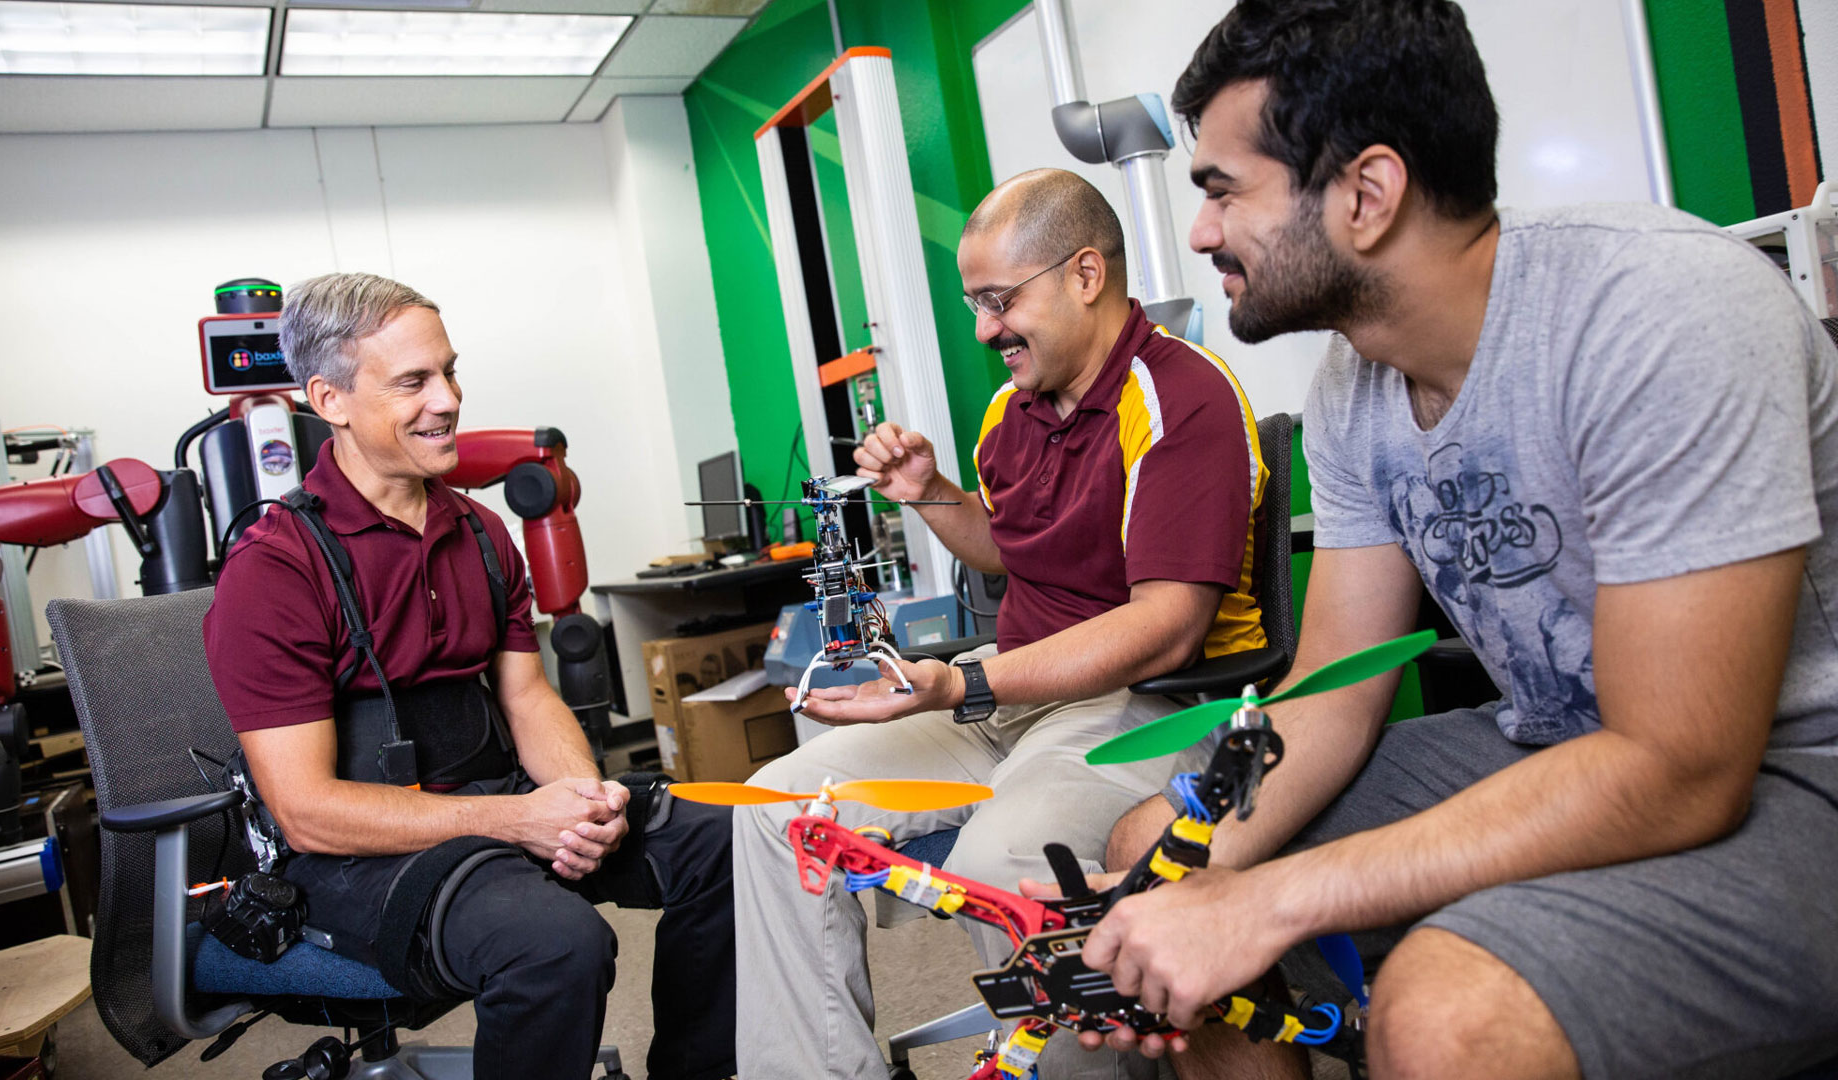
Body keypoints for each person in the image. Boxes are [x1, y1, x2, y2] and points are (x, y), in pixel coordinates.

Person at [1056, 2, 1838, 1078]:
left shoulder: (1660, 311)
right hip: (1558, 740)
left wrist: (1269, 897)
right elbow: (1333, 686)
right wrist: (1193, 875)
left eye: (1223, 191)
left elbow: (1679, 768)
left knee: (1446, 1012)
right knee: (1158, 851)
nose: (1198, 234)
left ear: (1367, 196)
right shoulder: (1353, 388)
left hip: (1796, 773)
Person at [735, 169, 1272, 1079]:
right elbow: (1010, 550)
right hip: (1016, 688)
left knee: (1003, 863)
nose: (985, 330)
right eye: (975, 303)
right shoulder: (1008, 412)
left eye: (997, 300)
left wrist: (961, 681)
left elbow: (1172, 627)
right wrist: (935, 494)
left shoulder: (1181, 398)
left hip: (1152, 701)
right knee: (773, 813)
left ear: (1086, 274)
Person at [203, 272, 736, 1080]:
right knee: (557, 944)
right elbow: (307, 813)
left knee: (731, 849)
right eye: (413, 381)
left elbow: (525, 696)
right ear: (329, 398)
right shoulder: (275, 567)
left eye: (450, 371)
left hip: (496, 804)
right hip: (356, 858)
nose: (448, 399)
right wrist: (520, 821)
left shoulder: (482, 532)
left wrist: (582, 804)